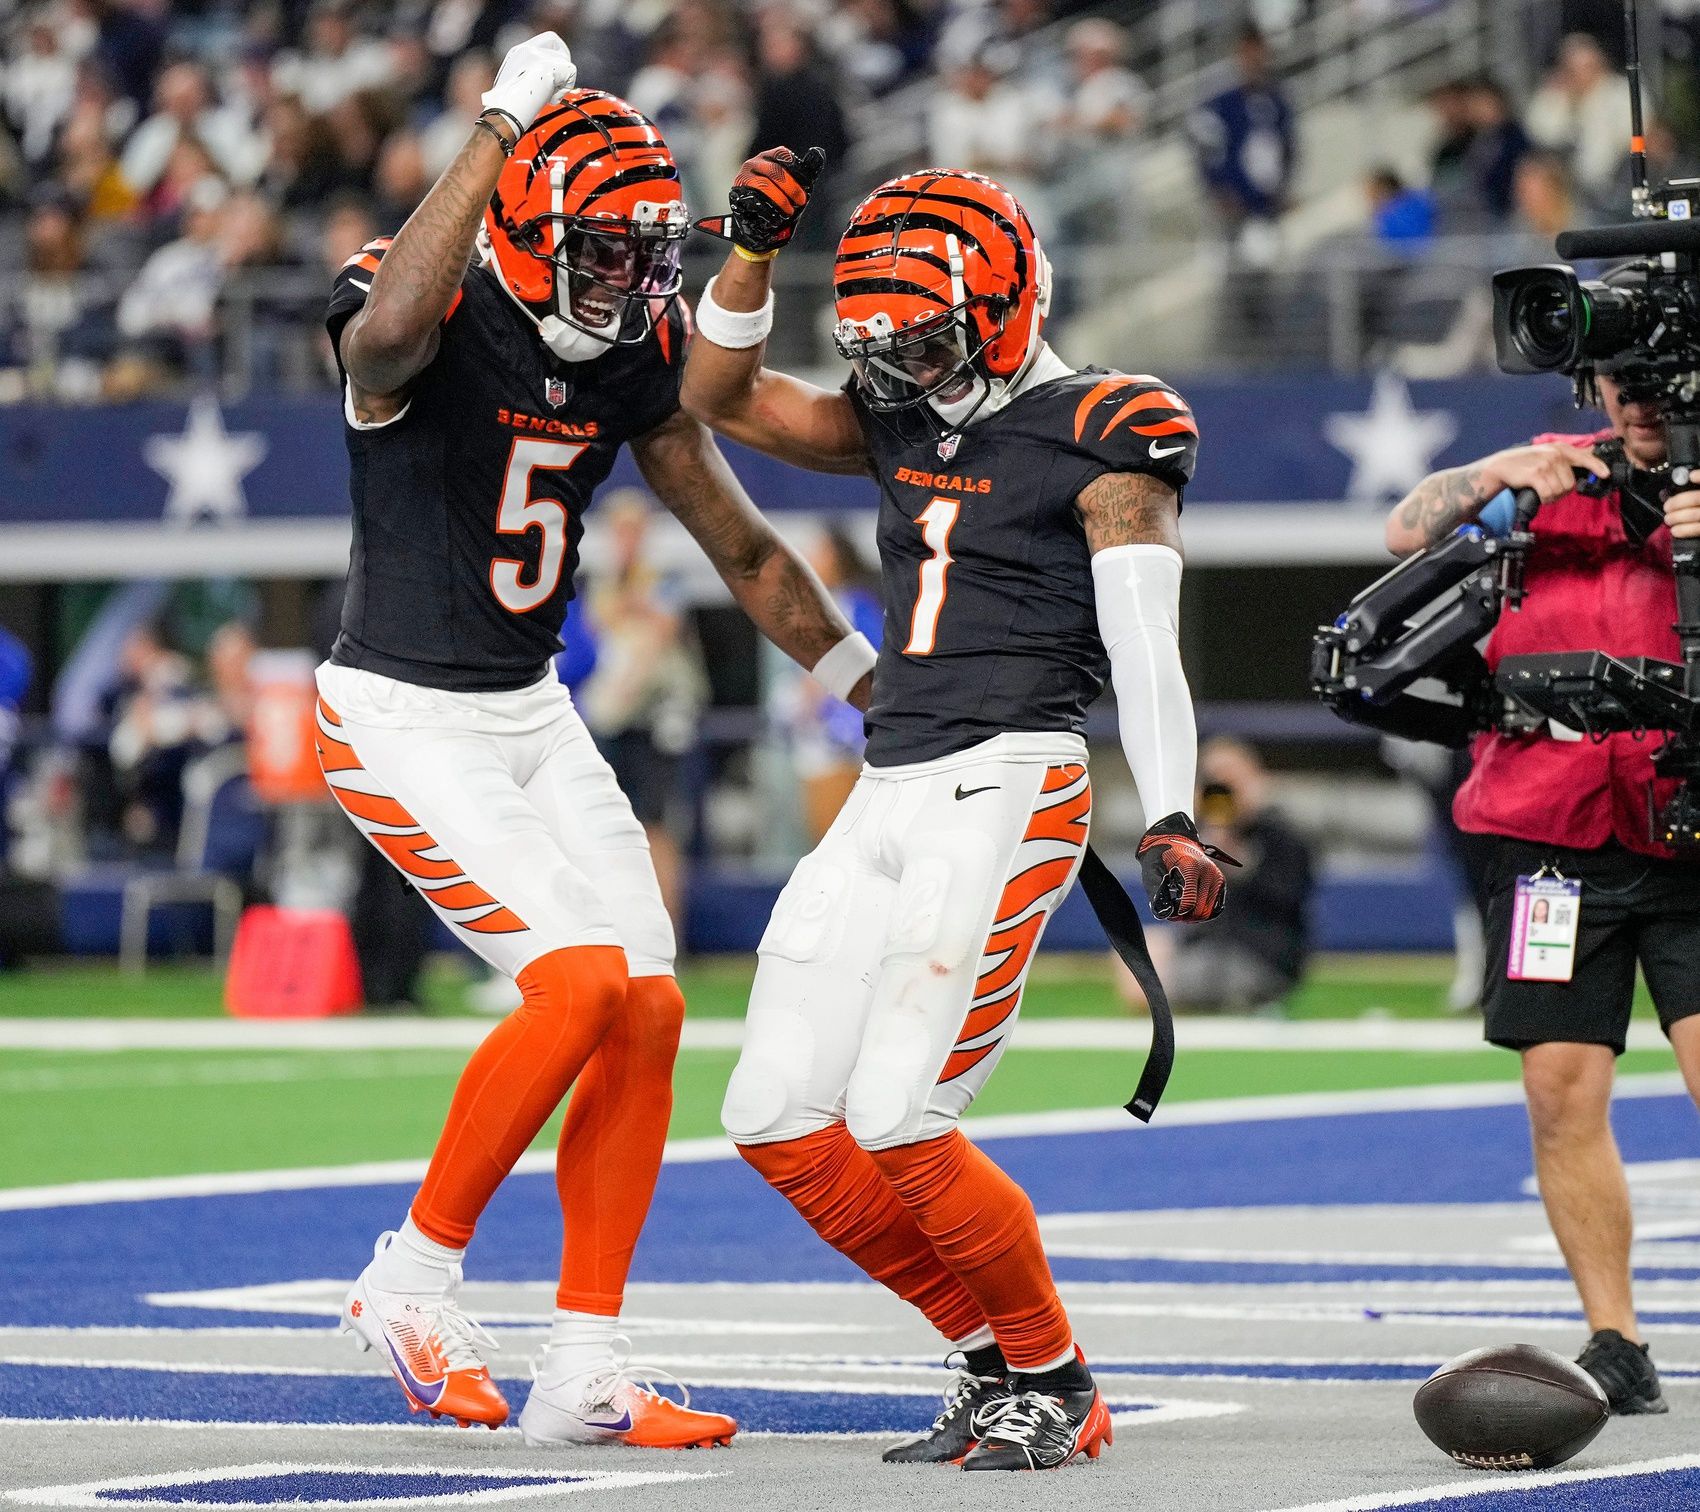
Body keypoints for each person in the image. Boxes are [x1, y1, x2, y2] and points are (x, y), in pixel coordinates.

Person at [318, 36, 872, 1447]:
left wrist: (869, 677)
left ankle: (583, 1367)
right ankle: (412, 1277)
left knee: (648, 1004)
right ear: (515, 222)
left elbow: (738, 541)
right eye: (603, 252)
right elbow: (382, 340)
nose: (629, 283)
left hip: (529, 713)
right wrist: (503, 121)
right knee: (570, 987)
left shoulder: (625, 351)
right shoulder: (421, 297)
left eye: (643, 254)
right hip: (403, 711)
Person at [682, 151, 1227, 1471]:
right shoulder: (895, 412)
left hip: (1011, 777)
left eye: (928, 344)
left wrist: (1170, 809)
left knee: (899, 1115)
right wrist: (751, 250)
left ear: (1005, 303)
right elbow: (716, 394)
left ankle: (1057, 1376)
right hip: (889, 782)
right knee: (771, 1114)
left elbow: (1145, 646)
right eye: (885, 350)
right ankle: (993, 1363)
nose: (907, 375)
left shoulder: (1110, 423)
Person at [1386, 344, 1700, 1416]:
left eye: (1658, 382)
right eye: (1621, 383)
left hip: (1689, 827)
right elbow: (1402, 529)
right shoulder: (1549, 469)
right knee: (1557, 1093)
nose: (1639, 402)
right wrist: (1499, 474)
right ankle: (1615, 1341)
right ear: (1596, 391)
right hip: (1550, 839)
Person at [1140, 737, 1312, 1013]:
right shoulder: (1191, 837)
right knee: (1145, 951)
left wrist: (1237, 858)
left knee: (1213, 976)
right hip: (1204, 951)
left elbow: (1287, 899)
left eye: (1231, 779)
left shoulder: (1280, 836)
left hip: (1260, 955)